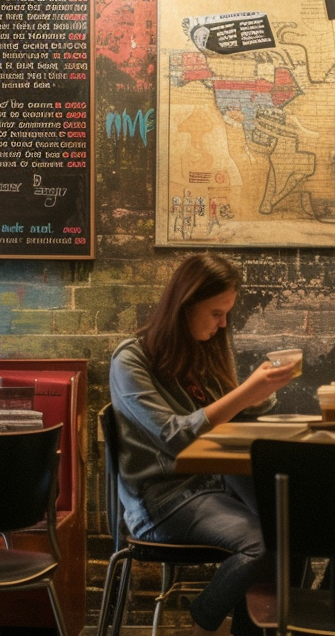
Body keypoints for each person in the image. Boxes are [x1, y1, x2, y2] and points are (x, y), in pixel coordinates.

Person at [110, 253, 297, 636]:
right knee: (267, 545)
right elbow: (175, 437)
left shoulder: (200, 351)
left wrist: (262, 393)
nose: (223, 322)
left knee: (296, 531)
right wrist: (246, 393)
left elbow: (227, 417)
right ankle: (200, 624)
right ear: (186, 304)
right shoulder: (131, 359)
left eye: (226, 313)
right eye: (216, 313)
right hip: (160, 500)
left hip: (212, 484)